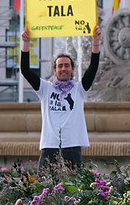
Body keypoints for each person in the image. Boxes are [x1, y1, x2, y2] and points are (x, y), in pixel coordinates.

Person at [20, 26, 101, 170]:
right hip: (49, 146)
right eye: (60, 66)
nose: (64, 69)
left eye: (67, 66)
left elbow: (93, 68)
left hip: (72, 146)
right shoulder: (45, 88)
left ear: (72, 69)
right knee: (44, 188)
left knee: (74, 189)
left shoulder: (79, 89)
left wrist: (95, 43)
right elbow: (26, 71)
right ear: (55, 70)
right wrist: (26, 43)